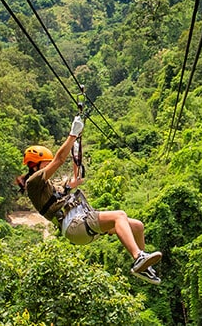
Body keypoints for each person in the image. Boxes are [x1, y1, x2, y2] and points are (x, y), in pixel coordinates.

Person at [15, 115, 162, 284]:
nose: (48, 167)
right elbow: (59, 159)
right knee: (119, 215)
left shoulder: (49, 187)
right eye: (45, 164)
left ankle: (144, 267)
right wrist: (72, 134)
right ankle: (138, 257)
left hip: (80, 224)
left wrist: (76, 156)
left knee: (137, 226)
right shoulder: (33, 183)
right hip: (75, 225)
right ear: (35, 165)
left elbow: (70, 183)